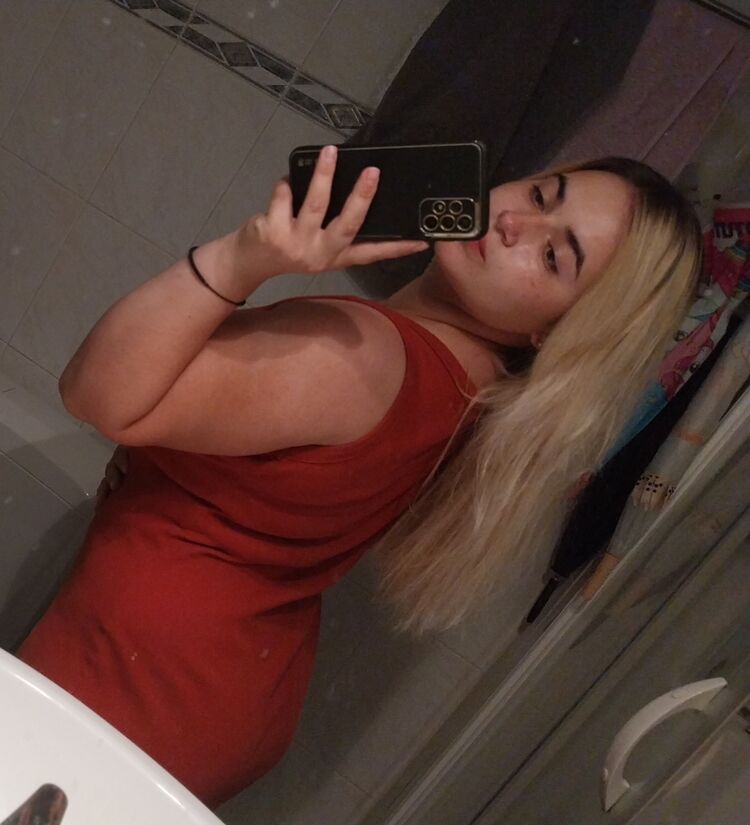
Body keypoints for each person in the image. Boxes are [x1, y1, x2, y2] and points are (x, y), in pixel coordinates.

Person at [17, 145, 701, 807]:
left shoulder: (364, 353)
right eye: (541, 194)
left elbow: (97, 393)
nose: (515, 223)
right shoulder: (473, 385)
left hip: (139, 683)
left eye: (554, 257)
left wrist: (239, 259)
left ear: (557, 332)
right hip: (213, 684)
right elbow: (281, 478)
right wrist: (159, 454)